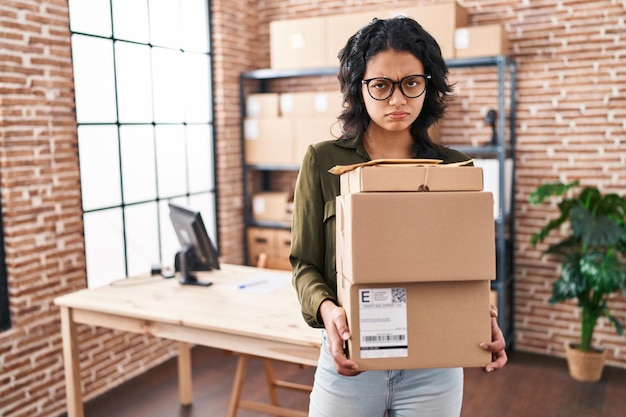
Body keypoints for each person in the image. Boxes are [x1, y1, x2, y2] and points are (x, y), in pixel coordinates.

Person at [289, 15, 507, 417]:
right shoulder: (323, 161)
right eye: (381, 85)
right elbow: (303, 263)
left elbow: (465, 268)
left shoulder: (455, 169)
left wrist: (480, 316)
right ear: (359, 88)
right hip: (351, 362)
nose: (397, 99)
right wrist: (328, 309)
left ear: (428, 84)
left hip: (435, 365)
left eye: (411, 83)